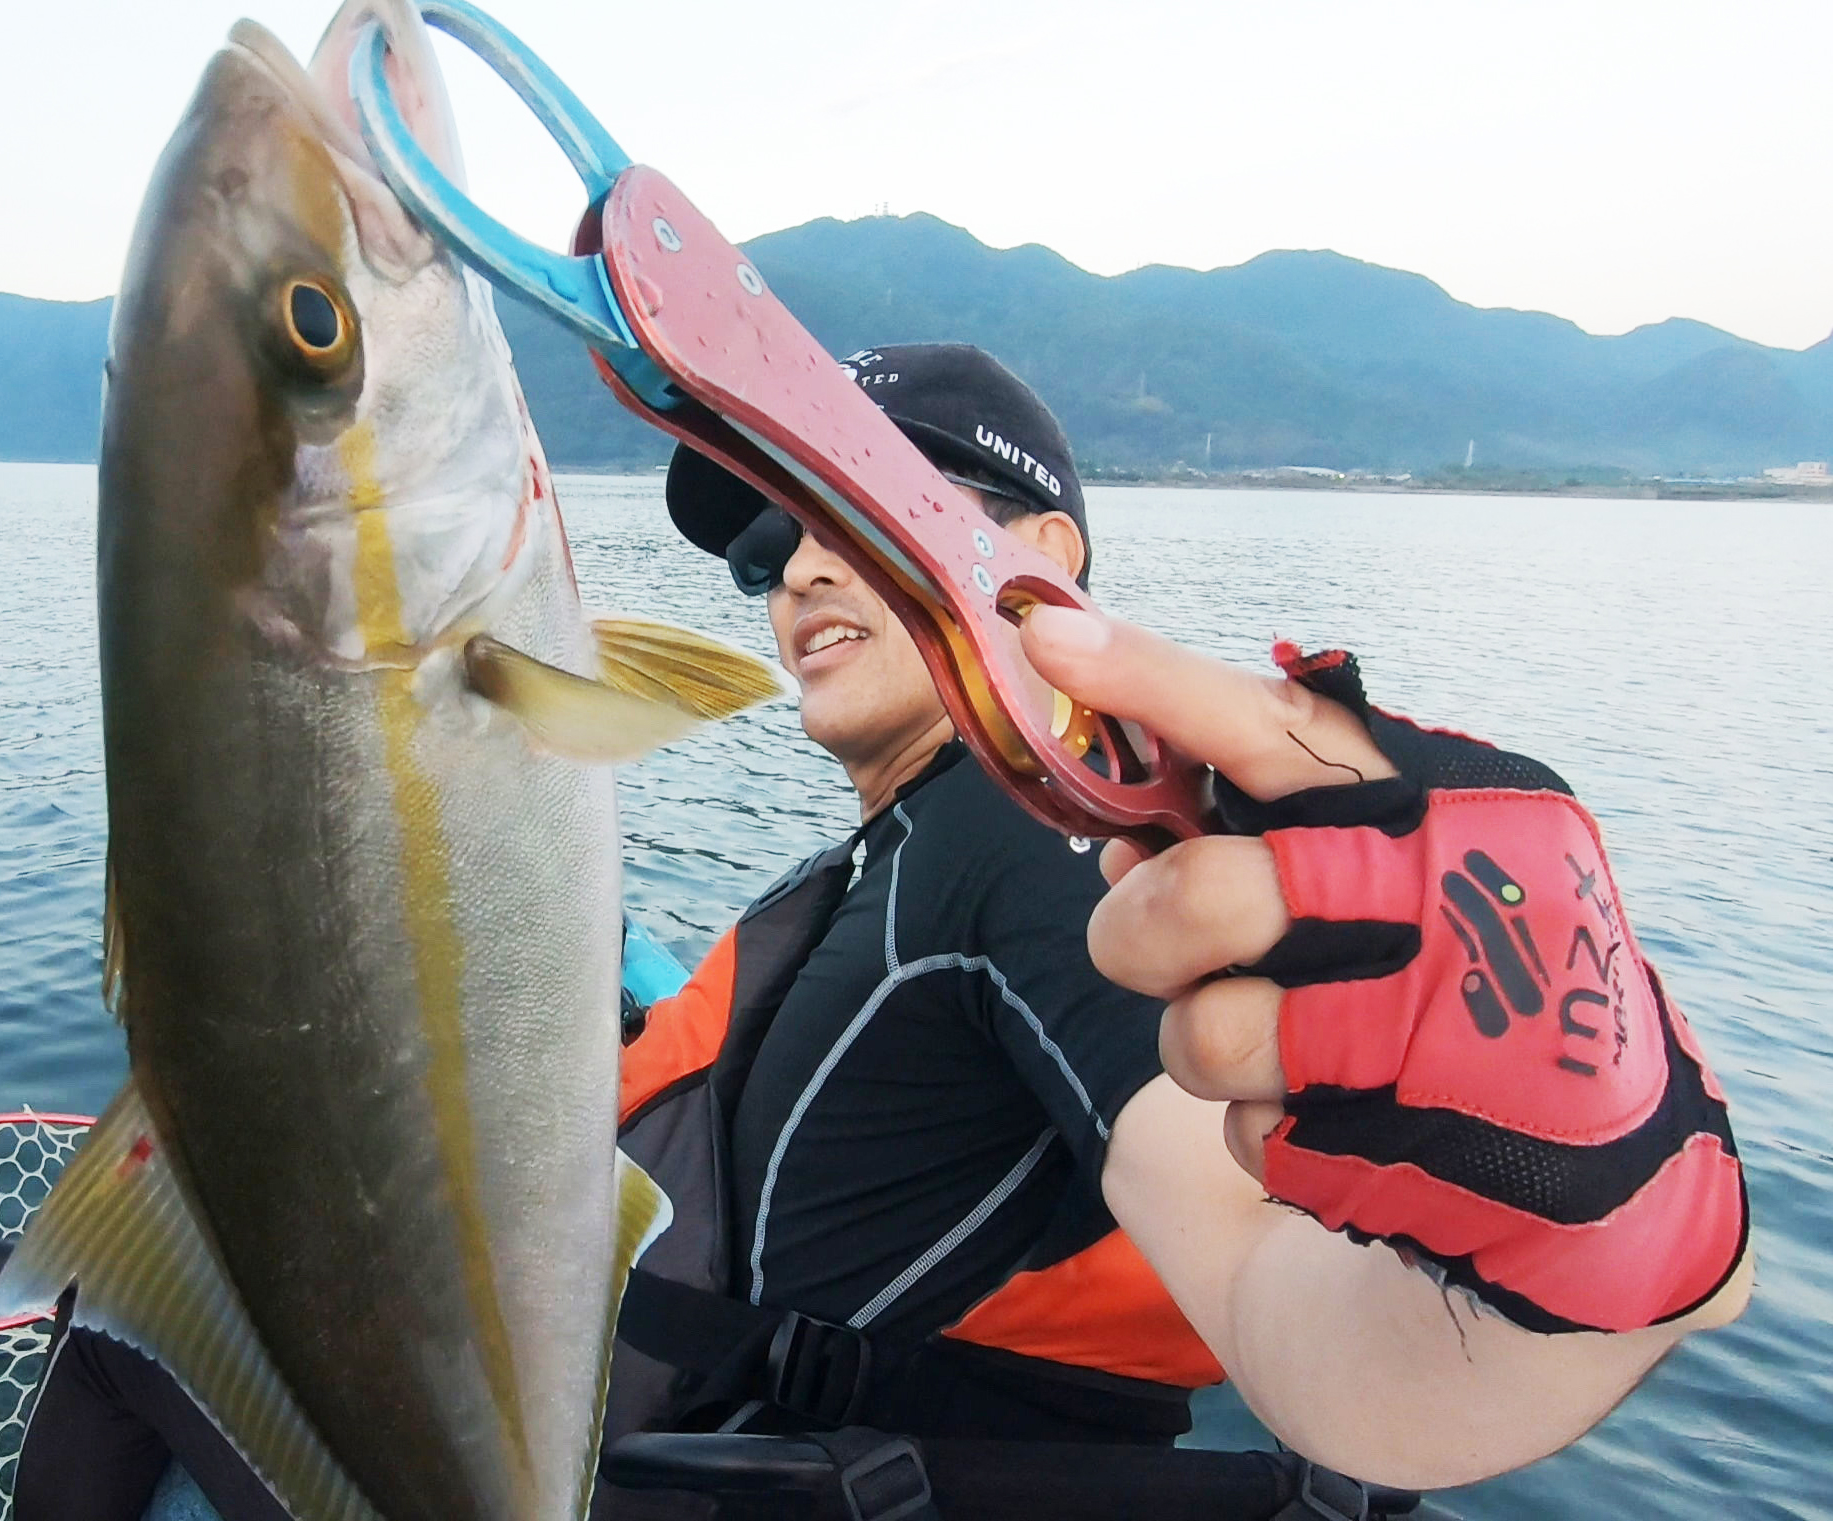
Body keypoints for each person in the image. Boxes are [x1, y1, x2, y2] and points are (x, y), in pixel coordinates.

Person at [592, 342, 1751, 1519]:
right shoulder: (892, 853)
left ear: (1036, 560)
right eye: (766, 548)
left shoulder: (1037, 852)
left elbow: (1292, 1311)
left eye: (851, 503)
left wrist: (1598, 1242)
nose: (797, 570)